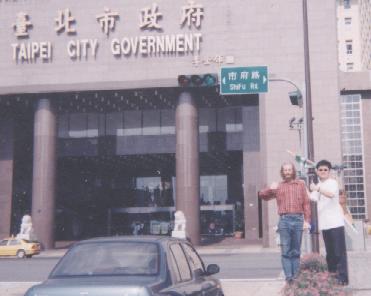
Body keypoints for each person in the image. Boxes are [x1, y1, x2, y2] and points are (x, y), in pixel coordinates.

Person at [258, 162, 311, 283]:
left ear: (293, 171)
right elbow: (262, 195)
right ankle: (289, 278)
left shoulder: (301, 185)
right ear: (282, 172)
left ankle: (296, 277)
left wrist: (307, 221)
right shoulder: (279, 186)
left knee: (296, 251)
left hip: (298, 220)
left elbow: (306, 203)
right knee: (286, 251)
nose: (287, 172)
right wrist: (270, 188)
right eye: (285, 170)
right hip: (284, 220)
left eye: (289, 170)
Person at [309, 159, 349, 285]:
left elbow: (331, 194)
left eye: (325, 170)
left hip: (336, 223)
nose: (323, 172)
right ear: (317, 171)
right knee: (330, 253)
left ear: (329, 171)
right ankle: (332, 276)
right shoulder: (319, 184)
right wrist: (303, 186)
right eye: (320, 170)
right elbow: (312, 197)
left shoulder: (332, 182)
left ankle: (343, 278)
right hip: (325, 225)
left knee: (339, 252)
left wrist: (317, 188)